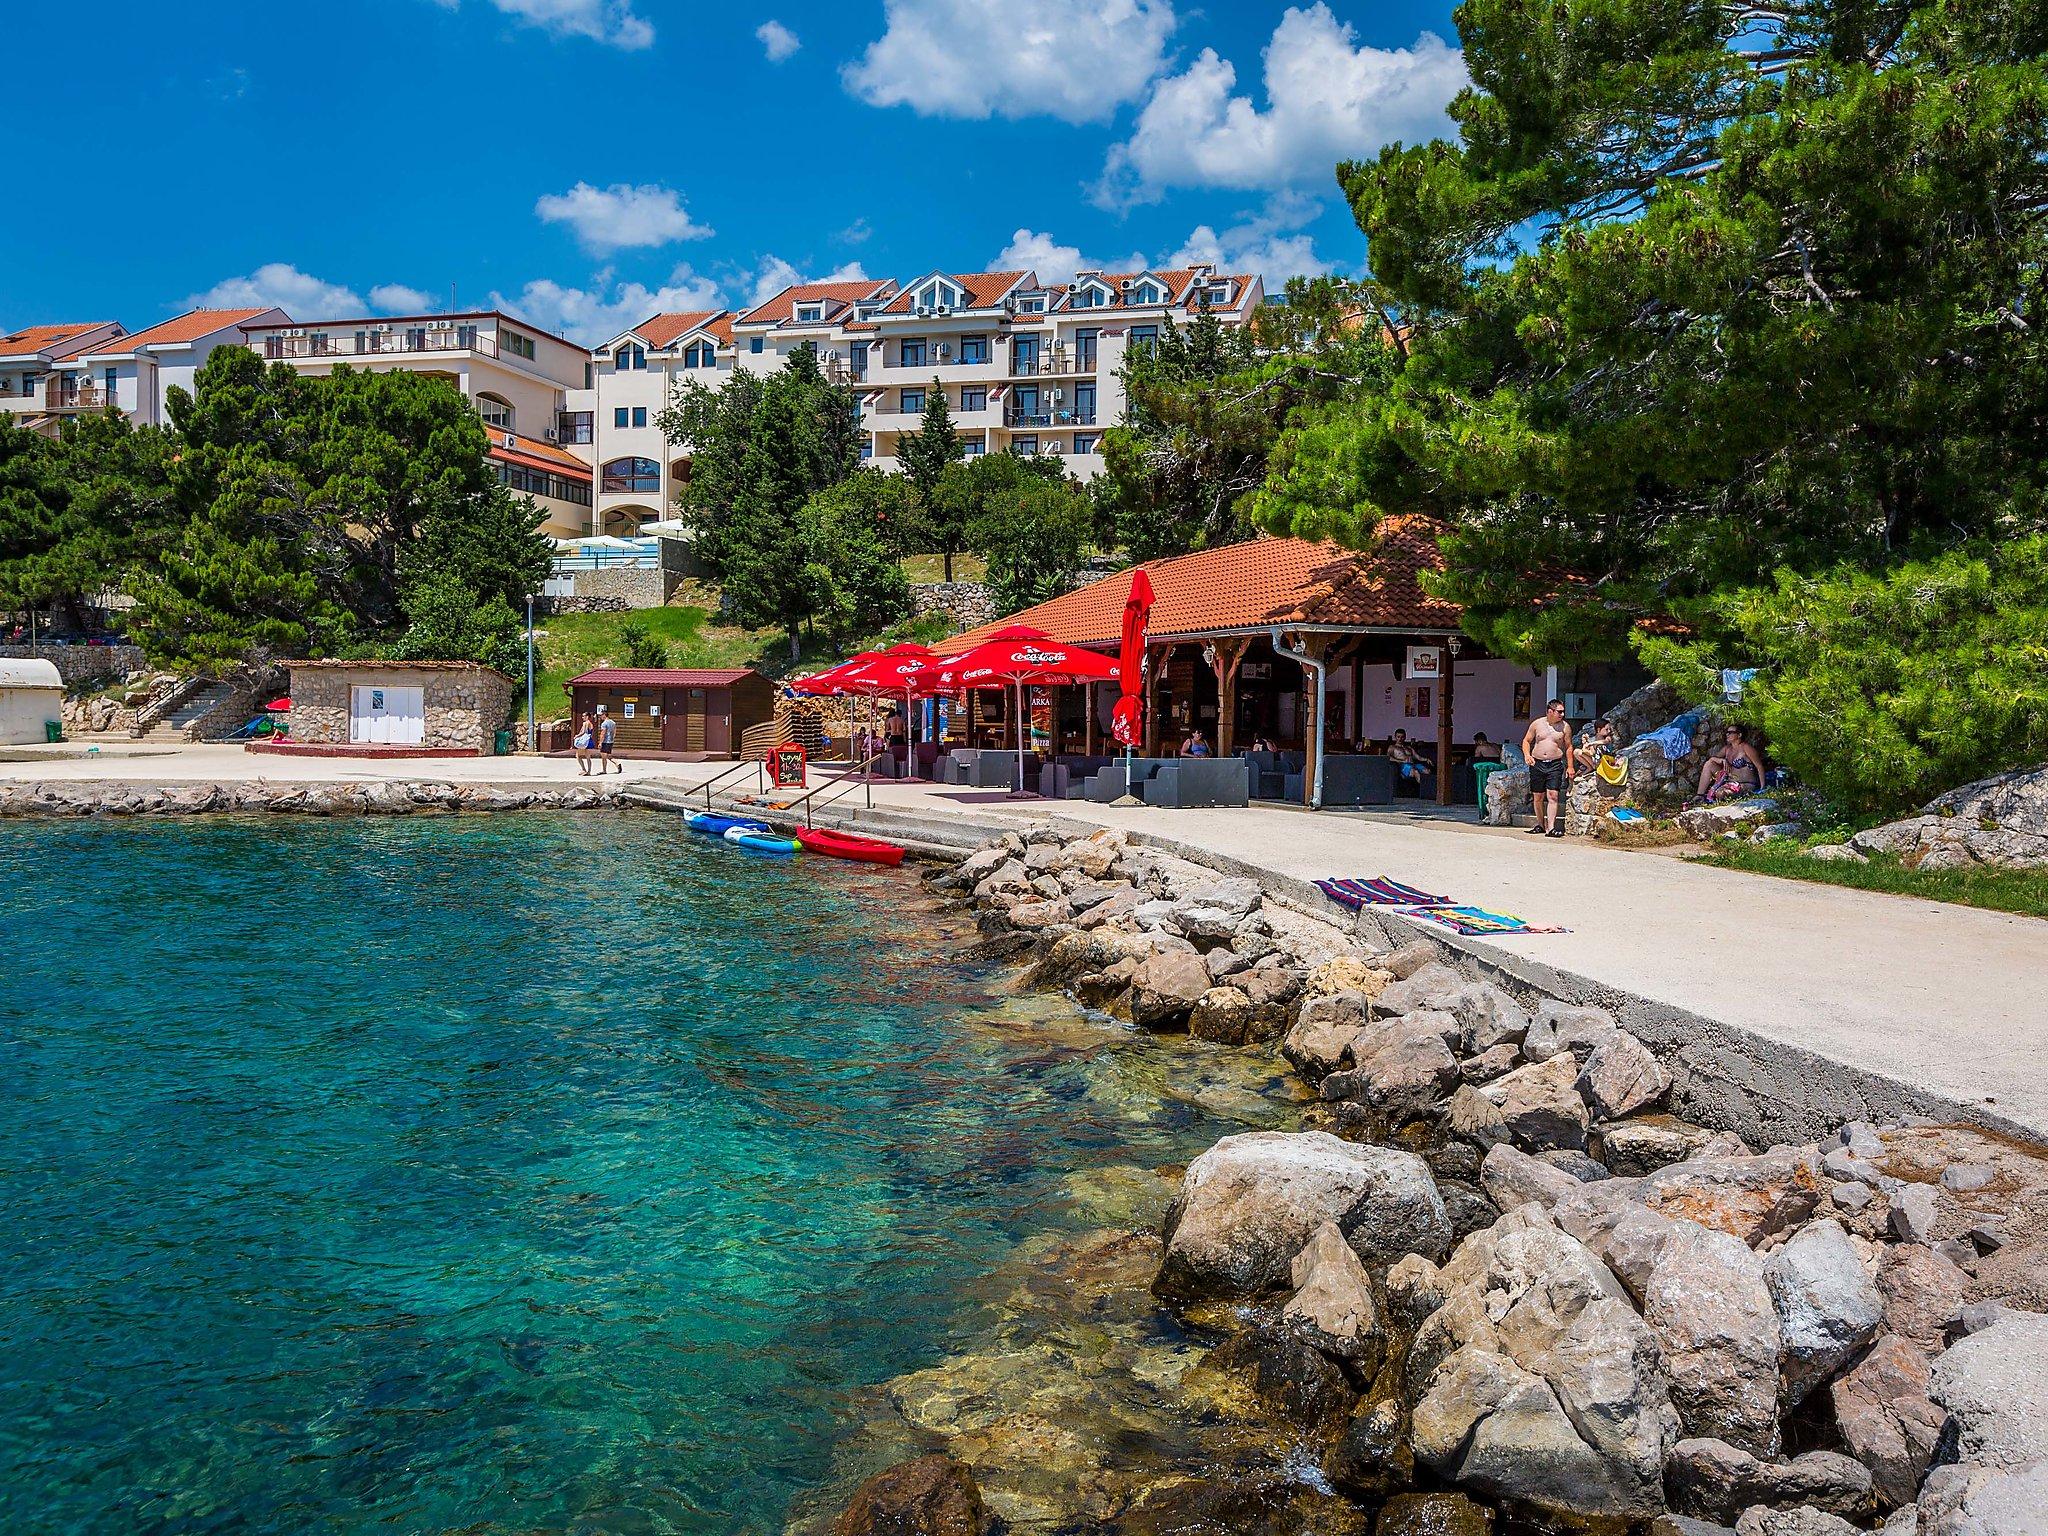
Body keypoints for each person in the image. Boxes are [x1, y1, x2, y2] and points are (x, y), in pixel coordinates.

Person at [1521, 699, 1573, 836]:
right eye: (1559, 712)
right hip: (1537, 763)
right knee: (1538, 796)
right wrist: (1527, 755)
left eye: (1563, 712)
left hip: (1555, 764)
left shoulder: (1565, 727)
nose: (1562, 714)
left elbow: (1568, 747)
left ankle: (1551, 828)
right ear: (1550, 711)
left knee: (1553, 795)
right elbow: (1527, 741)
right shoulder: (1537, 724)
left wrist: (1570, 766)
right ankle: (1540, 824)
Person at [1690, 723, 1766, 804]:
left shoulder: (1746, 748)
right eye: (1727, 732)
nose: (1727, 734)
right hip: (1729, 782)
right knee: (1709, 764)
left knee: (1721, 794)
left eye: (1730, 732)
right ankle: (1700, 795)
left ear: (1739, 735)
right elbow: (1712, 759)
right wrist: (1722, 760)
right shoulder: (1727, 749)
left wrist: (1762, 787)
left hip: (1745, 784)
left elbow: (1759, 766)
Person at [595, 705, 621, 774]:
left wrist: (600, 743)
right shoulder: (613, 722)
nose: (600, 717)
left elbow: (603, 733)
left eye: (601, 715)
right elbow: (614, 732)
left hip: (605, 741)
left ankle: (604, 770)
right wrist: (612, 738)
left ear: (604, 715)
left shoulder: (604, 723)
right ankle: (617, 763)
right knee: (608, 755)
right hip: (610, 741)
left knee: (603, 756)